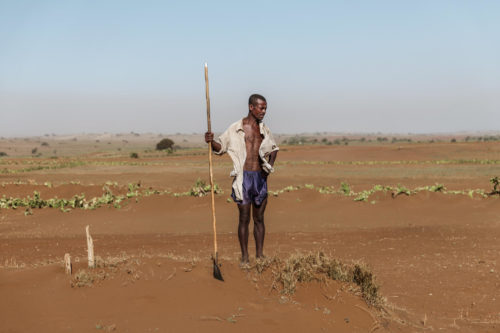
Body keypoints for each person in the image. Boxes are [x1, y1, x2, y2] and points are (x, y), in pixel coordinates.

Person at [205, 94, 279, 265]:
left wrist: (268, 168)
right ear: (251, 107)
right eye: (261, 108)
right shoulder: (235, 128)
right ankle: (245, 257)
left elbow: (274, 148)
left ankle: (260, 256)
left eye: (266, 108)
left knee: (259, 218)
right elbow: (220, 147)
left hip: (260, 178)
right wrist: (210, 141)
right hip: (243, 178)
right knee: (244, 218)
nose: (264, 111)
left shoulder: (264, 129)